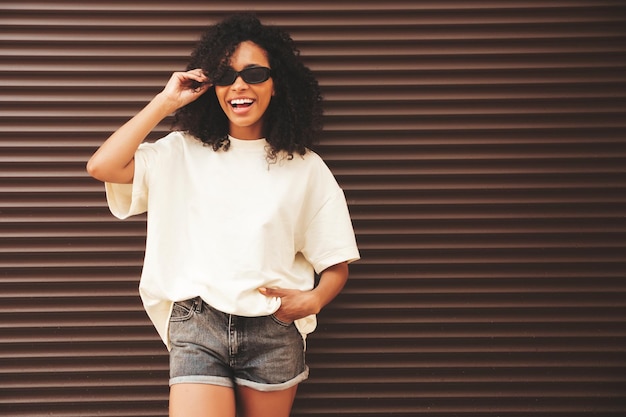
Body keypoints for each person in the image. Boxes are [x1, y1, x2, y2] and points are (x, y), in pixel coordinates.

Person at [86, 13, 360, 417]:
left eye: (254, 73)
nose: (239, 86)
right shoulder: (180, 150)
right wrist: (166, 101)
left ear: (276, 83)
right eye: (225, 75)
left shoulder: (305, 167)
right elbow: (102, 167)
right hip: (198, 324)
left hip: (273, 328)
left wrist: (313, 299)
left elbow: (336, 262)